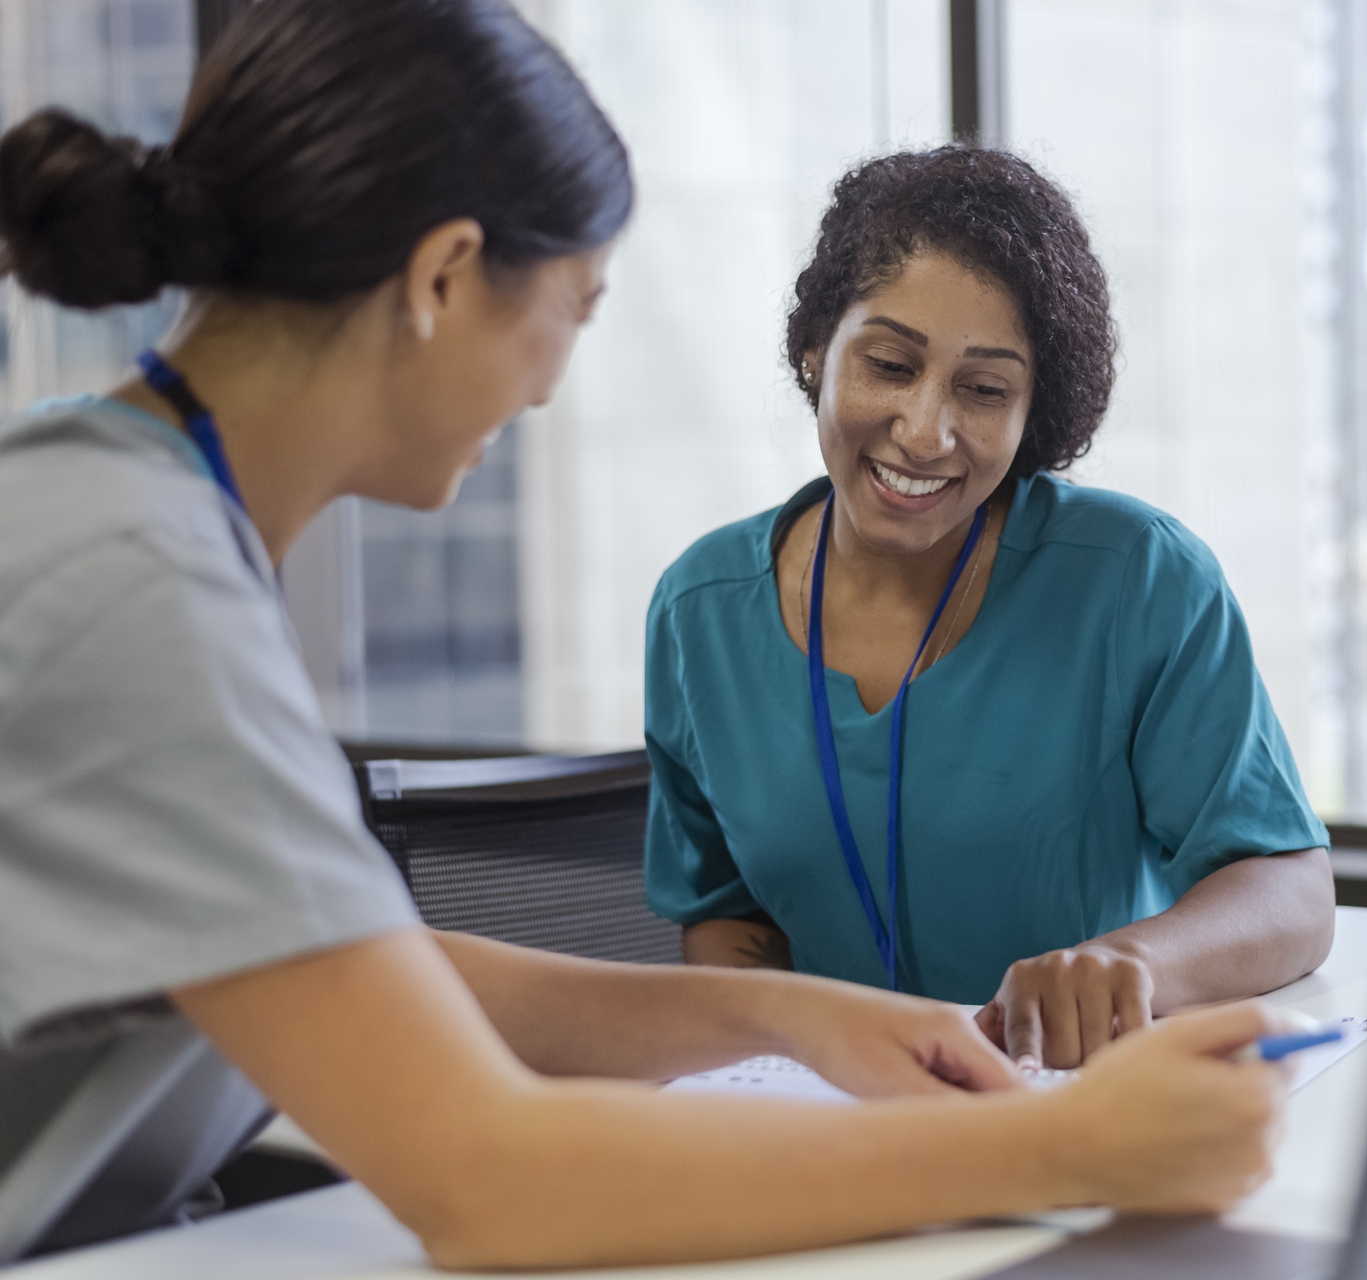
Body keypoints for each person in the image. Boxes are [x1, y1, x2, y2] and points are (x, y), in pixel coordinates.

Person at [0, 1, 1300, 1269]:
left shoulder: (111, 510)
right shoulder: (133, 577)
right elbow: (486, 1183)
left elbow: (376, 969)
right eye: (578, 305)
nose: (556, 376)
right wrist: (1071, 1150)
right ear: (444, 277)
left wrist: (789, 1016)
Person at [645, 148, 1336, 1070]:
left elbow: (1290, 887)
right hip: (829, 1125)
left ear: (1030, 411)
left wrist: (1125, 964)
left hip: (1068, 1102)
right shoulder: (699, 613)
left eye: (983, 389)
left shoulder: (1135, 580)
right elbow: (726, 913)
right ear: (816, 351)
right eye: (889, 364)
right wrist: (772, 1064)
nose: (926, 431)